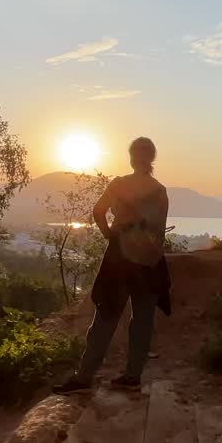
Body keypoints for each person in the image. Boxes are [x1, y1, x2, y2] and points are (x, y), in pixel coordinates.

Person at [53, 137, 172, 393]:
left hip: (119, 256)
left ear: (131, 157)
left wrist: (109, 233)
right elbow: (159, 232)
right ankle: (132, 377)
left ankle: (84, 377)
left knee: (106, 316)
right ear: (152, 159)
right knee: (142, 319)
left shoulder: (119, 185)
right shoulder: (160, 190)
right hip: (149, 262)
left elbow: (98, 211)